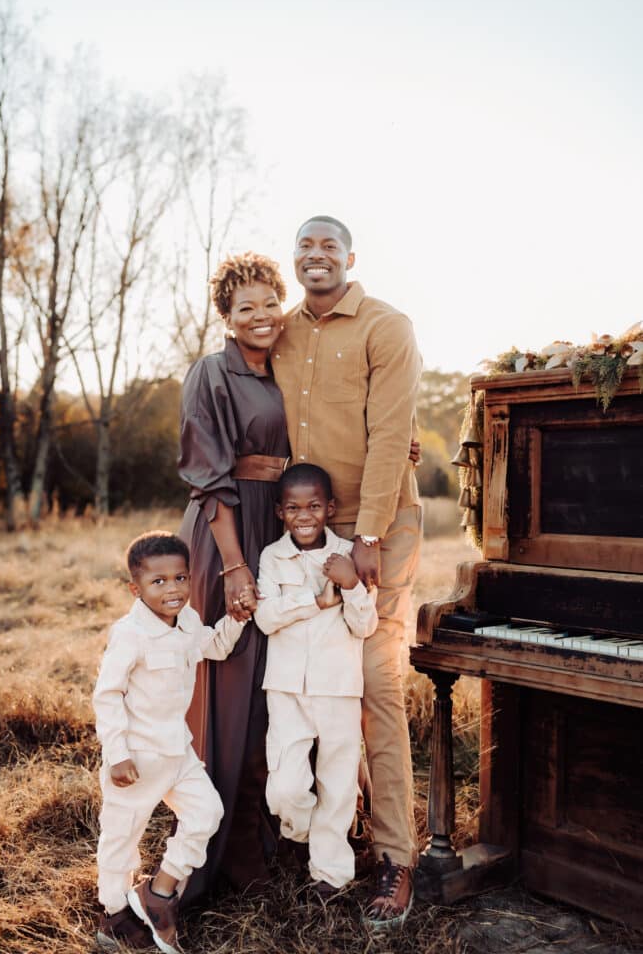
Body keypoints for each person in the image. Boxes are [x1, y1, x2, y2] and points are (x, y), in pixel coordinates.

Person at [270, 216, 423, 928]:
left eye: (327, 245)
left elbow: (393, 433)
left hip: (375, 523)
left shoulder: (385, 327)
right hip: (304, 528)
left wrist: (366, 534)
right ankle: (339, 816)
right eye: (303, 246)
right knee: (315, 684)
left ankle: (396, 858)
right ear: (293, 261)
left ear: (350, 258)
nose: (315, 256)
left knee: (373, 687)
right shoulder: (282, 331)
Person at [177, 252, 289, 898]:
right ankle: (228, 846)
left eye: (269, 303)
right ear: (226, 315)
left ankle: (271, 826)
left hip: (280, 529)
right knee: (232, 686)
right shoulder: (210, 373)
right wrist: (236, 565)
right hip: (227, 534)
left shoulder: (287, 371)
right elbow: (208, 477)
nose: (260, 316)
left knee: (276, 684)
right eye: (244, 307)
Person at [93, 531, 247, 954]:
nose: (173, 589)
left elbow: (213, 647)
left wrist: (237, 618)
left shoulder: (190, 621)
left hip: (177, 750)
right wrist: (117, 754)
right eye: (158, 582)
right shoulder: (130, 634)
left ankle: (159, 893)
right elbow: (107, 694)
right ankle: (113, 916)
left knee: (206, 812)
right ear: (136, 588)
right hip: (138, 757)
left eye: (180, 578)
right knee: (122, 836)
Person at [245, 462, 378, 897]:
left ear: (330, 508)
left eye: (315, 506)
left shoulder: (347, 556)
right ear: (280, 512)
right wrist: (315, 599)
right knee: (284, 788)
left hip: (338, 687)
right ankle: (305, 831)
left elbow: (365, 626)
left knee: (337, 783)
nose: (304, 515)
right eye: (294, 507)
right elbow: (265, 618)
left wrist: (352, 586)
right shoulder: (271, 556)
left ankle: (330, 874)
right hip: (285, 689)